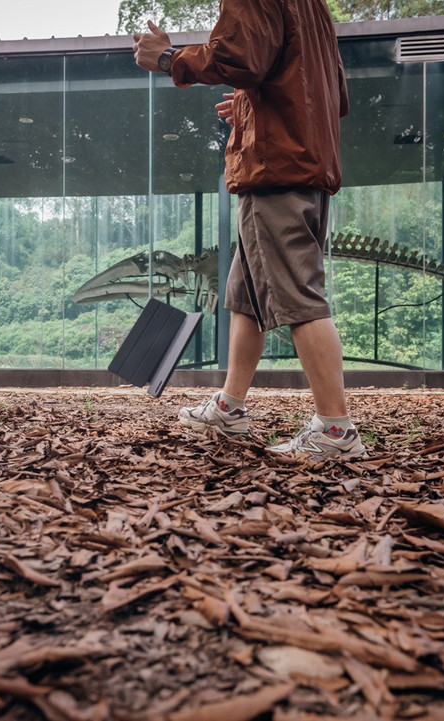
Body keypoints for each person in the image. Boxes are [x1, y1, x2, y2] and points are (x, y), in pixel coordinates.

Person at [133, 1, 364, 459]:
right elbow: (332, 93)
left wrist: (167, 58)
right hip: (302, 162)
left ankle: (336, 432)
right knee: (246, 295)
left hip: (276, 169)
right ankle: (230, 406)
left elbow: (239, 56)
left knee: (300, 298)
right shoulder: (313, 6)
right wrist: (249, 103)